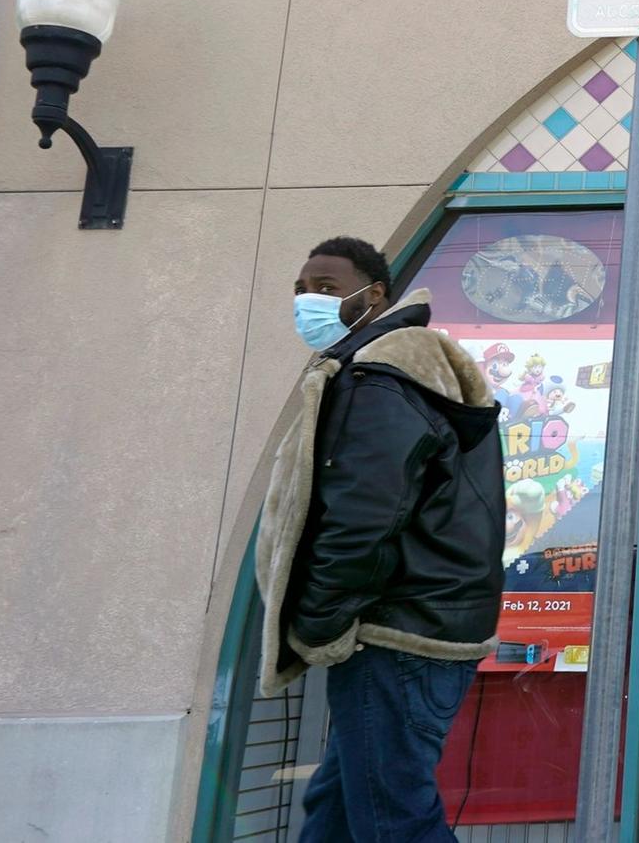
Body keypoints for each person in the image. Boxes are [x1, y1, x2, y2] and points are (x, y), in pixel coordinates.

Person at [255, 236, 507, 842]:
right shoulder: (397, 374)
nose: (308, 301)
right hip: (415, 631)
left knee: (394, 823)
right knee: (341, 812)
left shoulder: (379, 380)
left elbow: (363, 516)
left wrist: (319, 623)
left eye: (326, 287)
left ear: (374, 296)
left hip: (392, 636)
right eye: (300, 289)